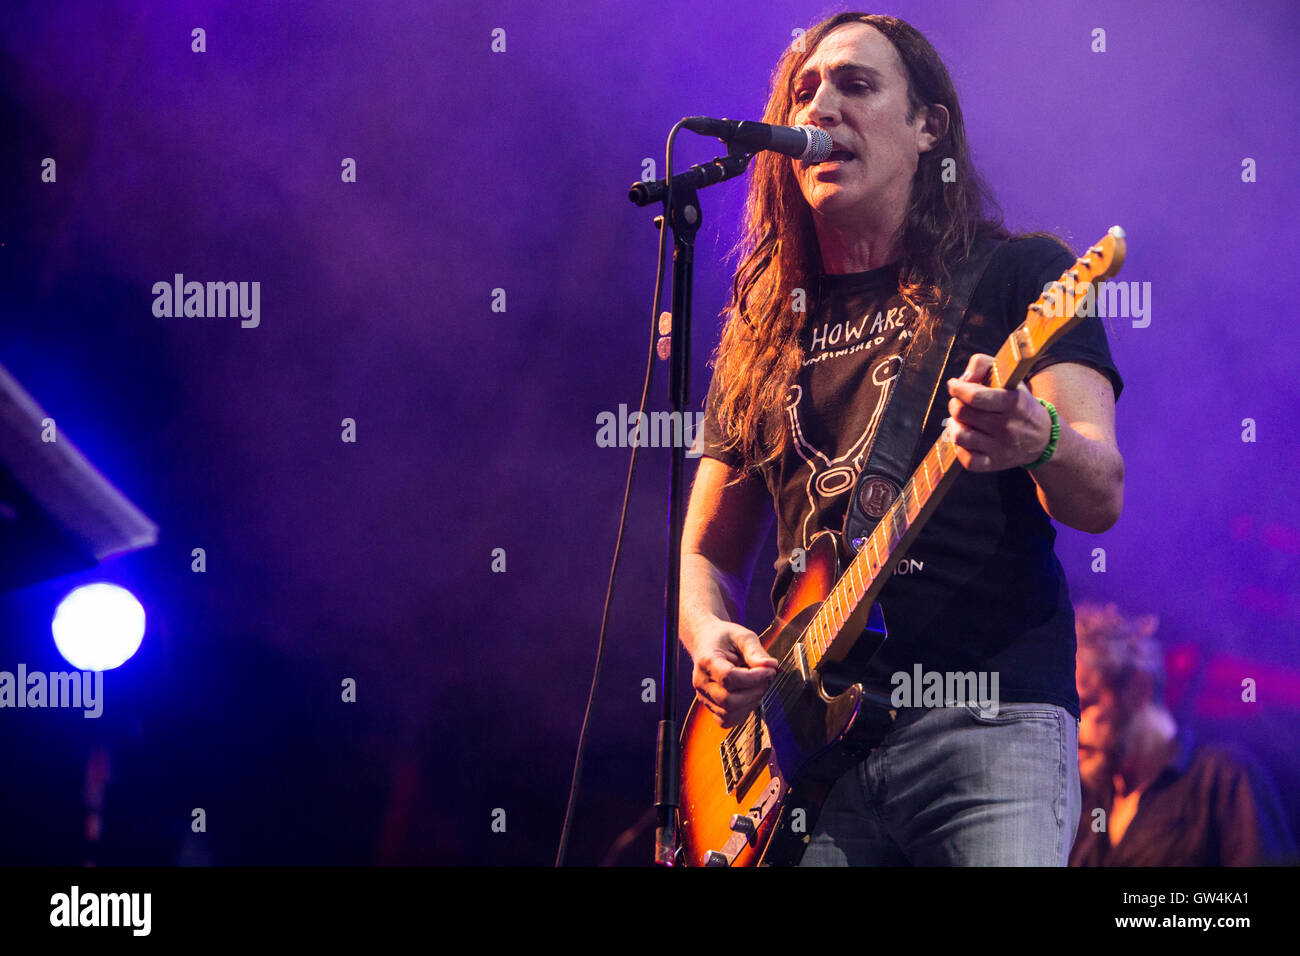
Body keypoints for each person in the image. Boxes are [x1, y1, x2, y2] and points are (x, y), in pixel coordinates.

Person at [680, 12, 1125, 865]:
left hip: (989, 725)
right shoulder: (767, 329)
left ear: (930, 128)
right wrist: (709, 637)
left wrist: (1037, 439)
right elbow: (707, 554)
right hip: (809, 761)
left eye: (856, 84)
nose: (822, 107)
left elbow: (1100, 490)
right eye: (805, 90)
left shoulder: (1021, 274)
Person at [1070, 601, 1295, 866]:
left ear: (1138, 689)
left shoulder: (1226, 779)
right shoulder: (1087, 801)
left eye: (1084, 704)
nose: (1072, 726)